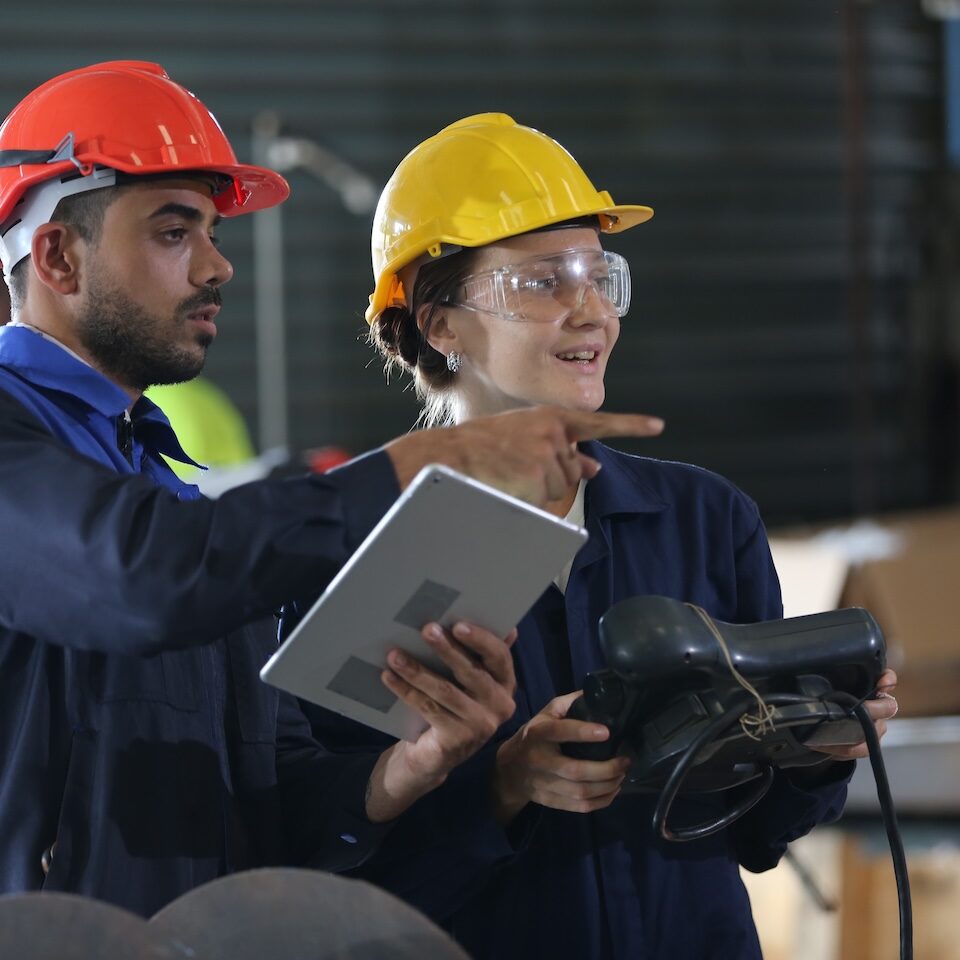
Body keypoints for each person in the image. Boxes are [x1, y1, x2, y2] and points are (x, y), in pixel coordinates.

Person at [0, 65, 663, 918]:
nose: (217, 266)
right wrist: (425, 465)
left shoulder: (169, 498)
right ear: (57, 254)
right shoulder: (102, 507)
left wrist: (411, 766)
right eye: (174, 232)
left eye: (212, 232)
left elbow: (271, 808)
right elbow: (145, 576)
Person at [300, 114, 900, 960]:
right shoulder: (349, 544)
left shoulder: (703, 520)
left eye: (600, 276)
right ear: (439, 323)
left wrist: (821, 747)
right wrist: (502, 789)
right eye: (544, 282)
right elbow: (323, 863)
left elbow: (762, 833)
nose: (591, 315)